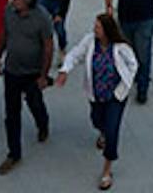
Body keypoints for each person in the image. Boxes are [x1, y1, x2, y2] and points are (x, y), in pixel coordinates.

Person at [55, 13, 138, 191]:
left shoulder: (121, 48)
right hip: (96, 95)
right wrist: (65, 70)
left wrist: (122, 89)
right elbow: (75, 55)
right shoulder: (90, 41)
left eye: (98, 27)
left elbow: (133, 65)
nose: (95, 29)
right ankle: (102, 132)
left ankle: (107, 170)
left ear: (107, 30)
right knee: (97, 121)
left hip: (115, 97)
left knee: (112, 130)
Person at [0, 0, 54, 175]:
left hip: (32, 73)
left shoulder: (42, 18)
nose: (13, 1)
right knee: (11, 113)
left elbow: (48, 47)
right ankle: (14, 153)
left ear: (28, 0)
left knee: (35, 103)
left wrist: (43, 75)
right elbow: (5, 35)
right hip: (12, 71)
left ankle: (43, 124)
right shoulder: (9, 11)